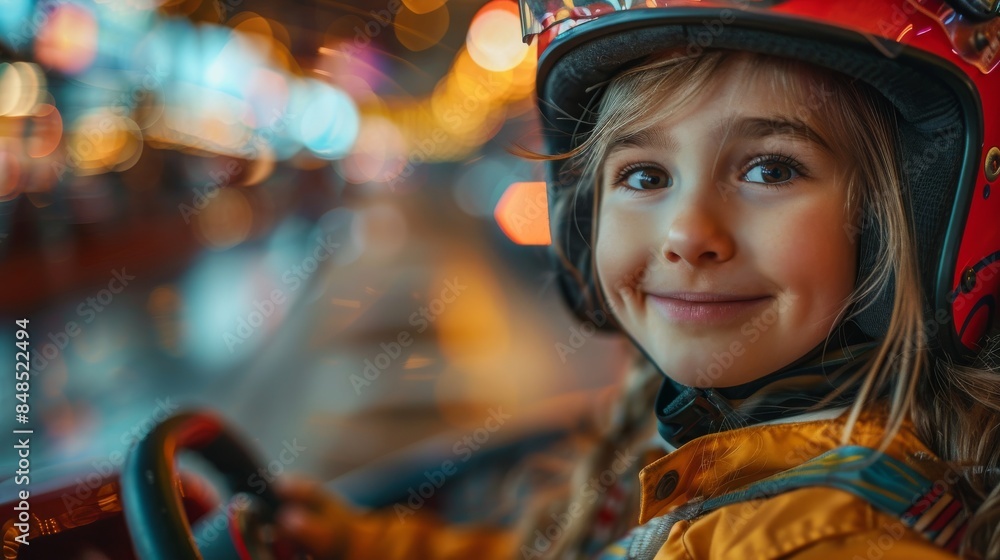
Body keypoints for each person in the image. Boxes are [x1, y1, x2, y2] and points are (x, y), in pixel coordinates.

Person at [276, 0, 1000, 558]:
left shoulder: (822, 540)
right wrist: (349, 543)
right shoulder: (718, 471)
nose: (688, 234)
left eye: (769, 169)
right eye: (646, 175)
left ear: (897, 221)